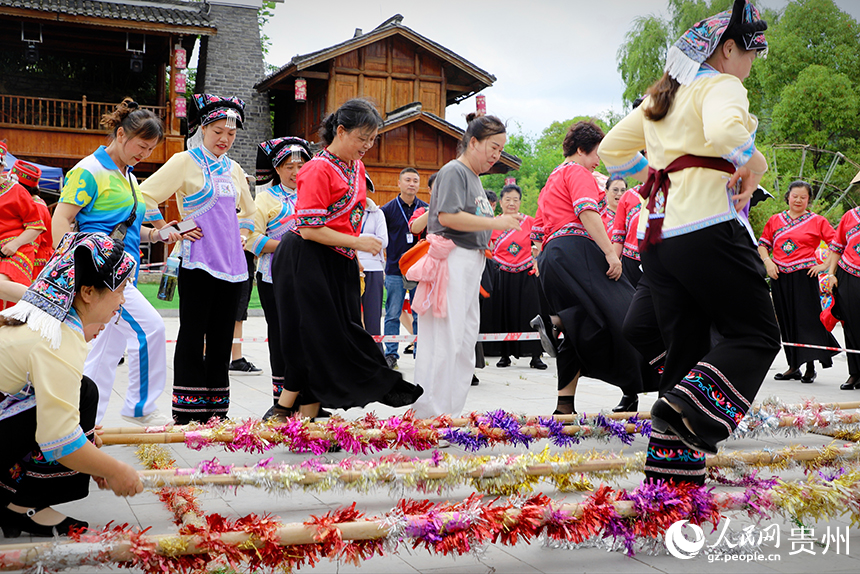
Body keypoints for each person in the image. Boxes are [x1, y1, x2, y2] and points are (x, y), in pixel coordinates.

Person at [599, 0, 778, 485]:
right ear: (727, 50)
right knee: (757, 334)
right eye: (750, 53)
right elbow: (724, 132)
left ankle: (671, 483)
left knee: (687, 349)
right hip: (706, 229)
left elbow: (612, 150)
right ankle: (682, 404)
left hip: (657, 237)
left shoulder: (662, 97)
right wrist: (753, 164)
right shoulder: (722, 86)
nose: (751, 64)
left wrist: (654, 176)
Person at [272, 98, 423, 419]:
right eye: (362, 138)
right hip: (305, 258)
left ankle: (304, 414)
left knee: (336, 336)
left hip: (338, 260)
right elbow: (310, 229)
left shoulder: (356, 167)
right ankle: (287, 410)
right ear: (340, 131)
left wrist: (351, 255)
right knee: (315, 336)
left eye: (372, 139)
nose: (367, 145)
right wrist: (358, 243)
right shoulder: (317, 169)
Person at [0, 232, 143, 538]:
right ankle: (20, 501)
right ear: (88, 292)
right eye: (120, 290)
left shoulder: (44, 313)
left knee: (81, 392)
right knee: (69, 411)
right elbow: (61, 440)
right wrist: (114, 470)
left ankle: (25, 503)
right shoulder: (58, 339)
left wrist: (91, 455)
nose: (122, 300)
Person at [53, 99, 172, 427]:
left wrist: (157, 236)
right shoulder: (89, 170)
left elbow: (130, 230)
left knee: (103, 354)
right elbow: (62, 218)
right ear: (121, 134)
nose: (144, 154)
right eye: (141, 146)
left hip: (123, 273)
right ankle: (141, 408)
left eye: (150, 149)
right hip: (103, 277)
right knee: (151, 328)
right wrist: (71, 268)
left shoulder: (129, 177)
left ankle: (83, 422)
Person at [140, 94, 255, 424]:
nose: (224, 139)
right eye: (218, 131)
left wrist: (242, 236)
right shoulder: (185, 161)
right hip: (196, 261)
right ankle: (188, 410)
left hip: (232, 265)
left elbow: (248, 212)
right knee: (192, 334)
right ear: (203, 129)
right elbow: (145, 194)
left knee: (221, 337)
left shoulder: (234, 169)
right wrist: (167, 227)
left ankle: (217, 412)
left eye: (231, 134)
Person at [537, 121, 653, 417]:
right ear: (580, 150)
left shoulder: (552, 178)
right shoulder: (578, 172)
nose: (598, 160)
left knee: (583, 325)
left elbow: (538, 228)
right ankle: (555, 322)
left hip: (552, 257)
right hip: (577, 250)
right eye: (596, 154)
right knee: (626, 311)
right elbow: (587, 212)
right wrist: (610, 255)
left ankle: (564, 407)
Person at [410, 113, 521, 418]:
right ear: (473, 142)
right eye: (493, 147)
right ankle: (429, 416)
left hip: (472, 262)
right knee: (445, 340)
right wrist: (494, 222)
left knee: (463, 340)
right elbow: (447, 217)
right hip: (453, 259)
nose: (496, 156)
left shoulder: (473, 178)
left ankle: (449, 413)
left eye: (500, 150)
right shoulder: (454, 171)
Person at [247, 136, 312, 420]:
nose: (296, 172)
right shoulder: (264, 199)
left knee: (311, 339)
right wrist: (290, 244)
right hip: (275, 279)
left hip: (311, 280)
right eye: (289, 166)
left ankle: (311, 405)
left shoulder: (315, 195)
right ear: (277, 168)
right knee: (282, 339)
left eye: (301, 165)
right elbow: (251, 238)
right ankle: (281, 402)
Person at [758, 180, 837, 384]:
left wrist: (824, 266)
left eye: (803, 197)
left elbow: (836, 244)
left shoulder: (817, 221)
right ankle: (793, 366)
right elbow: (763, 245)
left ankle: (810, 367)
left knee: (806, 320)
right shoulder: (775, 220)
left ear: (809, 200)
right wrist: (768, 262)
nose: (798, 200)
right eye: (795, 196)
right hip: (779, 275)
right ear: (788, 197)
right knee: (786, 319)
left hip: (805, 276)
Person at [490, 184, 546, 370]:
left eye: (515, 199)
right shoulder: (493, 223)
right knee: (504, 313)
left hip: (526, 273)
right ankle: (504, 355)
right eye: (508, 199)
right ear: (500, 202)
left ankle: (535, 355)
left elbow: (540, 243)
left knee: (531, 313)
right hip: (502, 274)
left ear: (520, 202)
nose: (512, 203)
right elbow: (487, 247)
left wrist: (537, 259)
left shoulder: (529, 222)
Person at [380, 168, 428, 369]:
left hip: (420, 270)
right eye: (407, 180)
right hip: (394, 269)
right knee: (392, 313)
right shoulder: (387, 210)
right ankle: (391, 354)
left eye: (415, 181)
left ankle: (422, 353)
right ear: (398, 183)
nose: (412, 184)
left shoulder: (426, 209)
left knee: (420, 314)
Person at [0, 160, 45, 310]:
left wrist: (14, 244)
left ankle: (47, 304)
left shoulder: (18, 192)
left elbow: (37, 228)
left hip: (16, 250)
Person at [826, 206, 860, 390]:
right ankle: (855, 373)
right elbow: (837, 246)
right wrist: (831, 273)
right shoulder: (850, 216)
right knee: (852, 324)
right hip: (848, 274)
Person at [358, 196, 388, 353]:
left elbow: (383, 241)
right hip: (350, 266)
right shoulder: (343, 210)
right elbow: (340, 237)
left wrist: (355, 240)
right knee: (351, 317)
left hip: (374, 267)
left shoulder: (377, 213)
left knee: (373, 318)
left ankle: (377, 357)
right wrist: (368, 240)